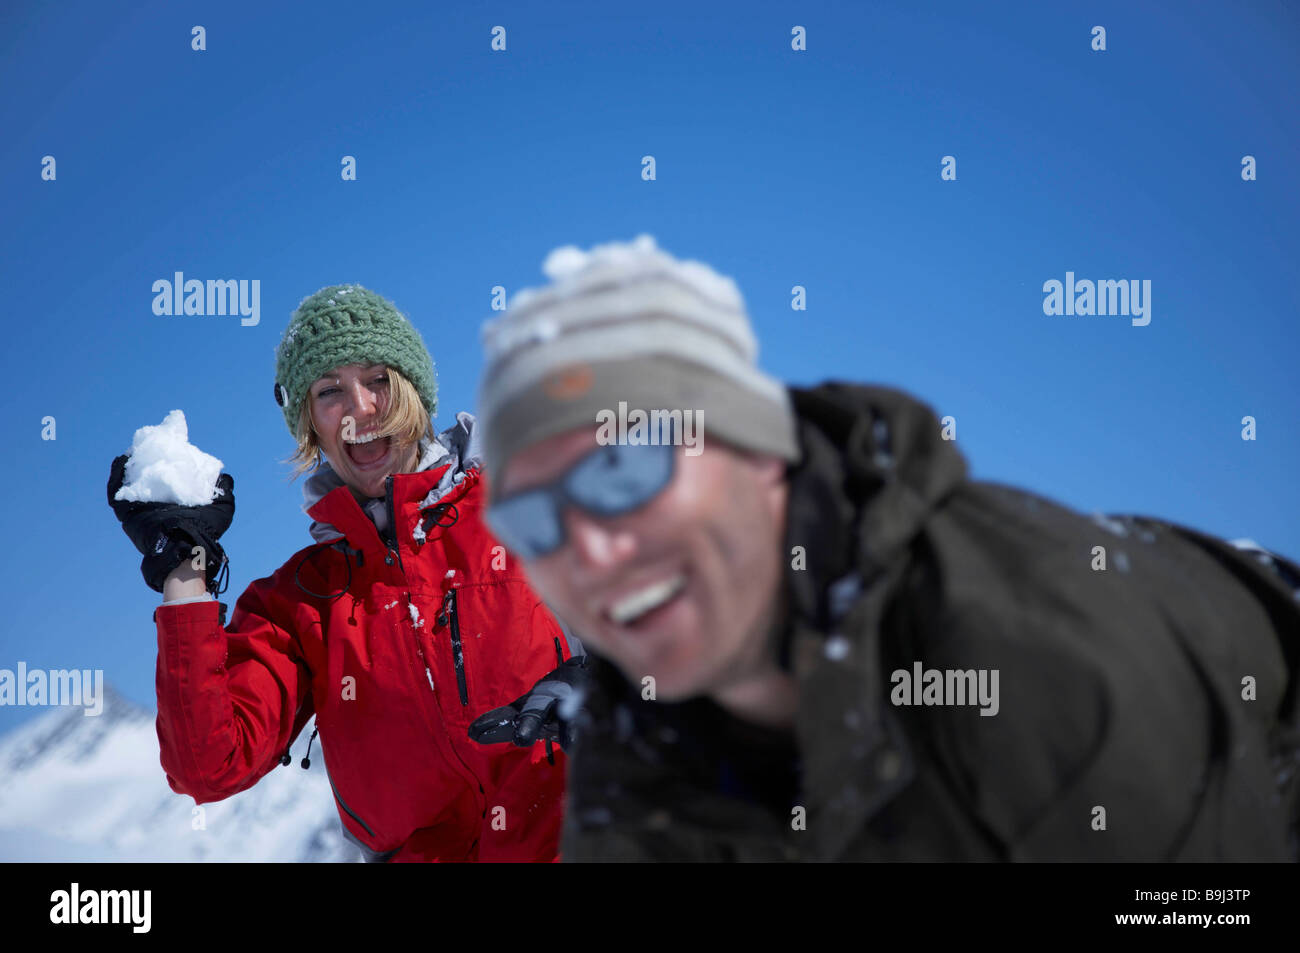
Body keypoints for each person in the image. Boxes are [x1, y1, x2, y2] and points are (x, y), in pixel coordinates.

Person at [469, 236, 1300, 861]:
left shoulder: (1031, 654)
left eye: (621, 467)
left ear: (760, 449)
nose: (590, 548)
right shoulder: (632, 759)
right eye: (533, 519)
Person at [109, 284, 576, 862]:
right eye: (329, 391)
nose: (360, 408)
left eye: (378, 379)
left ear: (414, 391)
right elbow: (208, 766)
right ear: (310, 423)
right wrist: (183, 570)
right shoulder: (300, 602)